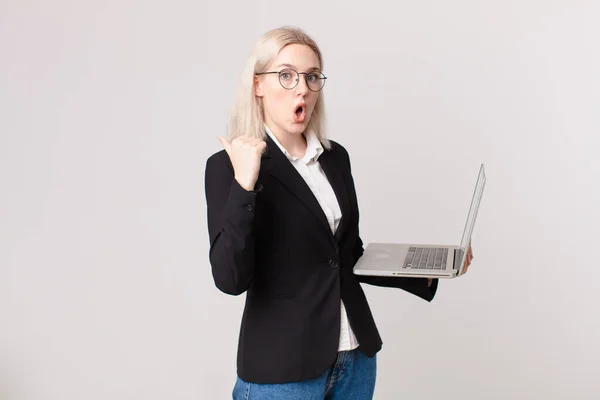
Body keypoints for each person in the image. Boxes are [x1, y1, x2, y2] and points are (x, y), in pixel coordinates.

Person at [204, 26, 474, 400]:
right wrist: (245, 184)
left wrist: (429, 270)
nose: (302, 88)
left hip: (355, 360)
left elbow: (346, 254)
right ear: (257, 85)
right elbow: (229, 278)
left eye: (312, 77)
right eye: (286, 75)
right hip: (284, 371)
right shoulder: (228, 166)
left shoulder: (334, 158)